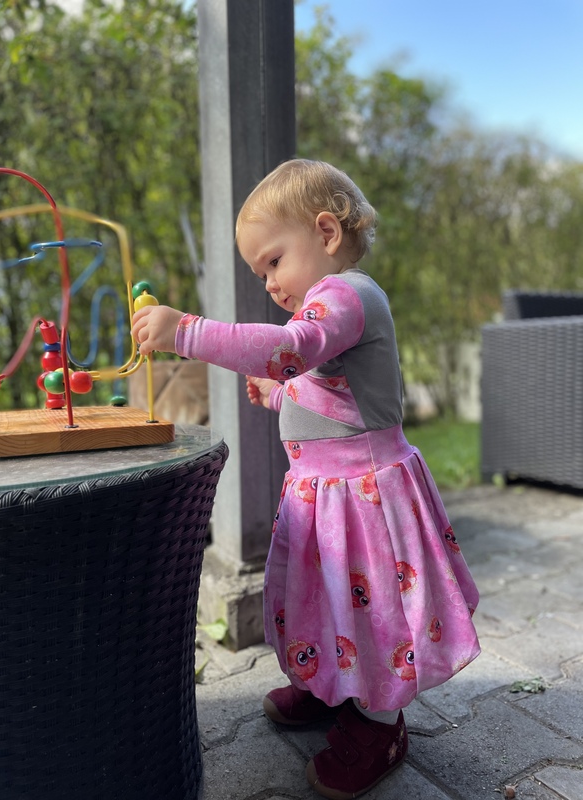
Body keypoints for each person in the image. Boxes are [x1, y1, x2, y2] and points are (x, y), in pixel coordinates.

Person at [132, 158, 480, 800]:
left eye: (272, 261)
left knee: (372, 611)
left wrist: (187, 331)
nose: (268, 282)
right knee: (328, 599)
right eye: (259, 272)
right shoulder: (329, 308)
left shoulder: (346, 295)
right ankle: (331, 683)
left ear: (325, 232)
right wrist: (279, 393)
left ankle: (380, 724)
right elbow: (325, 384)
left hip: (363, 497)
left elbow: (293, 349)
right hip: (327, 496)